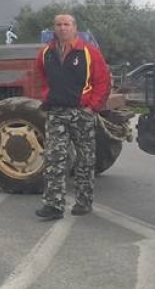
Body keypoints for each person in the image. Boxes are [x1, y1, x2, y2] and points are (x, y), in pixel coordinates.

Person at [34, 14, 111, 220]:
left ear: (75, 28)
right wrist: (46, 97)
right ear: (54, 28)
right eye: (58, 24)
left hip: (81, 113)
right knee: (54, 159)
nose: (62, 28)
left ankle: (84, 201)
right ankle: (53, 205)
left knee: (85, 160)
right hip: (56, 113)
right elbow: (40, 77)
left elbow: (103, 82)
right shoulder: (45, 53)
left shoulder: (89, 53)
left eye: (66, 24)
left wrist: (92, 108)